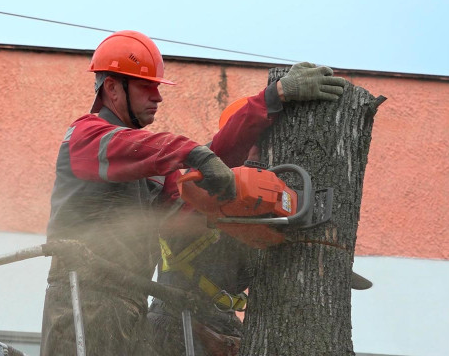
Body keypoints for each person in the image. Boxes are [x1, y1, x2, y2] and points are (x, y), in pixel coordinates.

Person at [39, 30, 241, 356]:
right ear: (112, 88)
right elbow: (152, 150)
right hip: (85, 299)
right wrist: (196, 155)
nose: (158, 97)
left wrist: (266, 107)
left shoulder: (150, 162)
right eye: (147, 86)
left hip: (133, 304)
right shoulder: (86, 136)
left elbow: (188, 201)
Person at [147, 62, 348, 355]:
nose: (259, 160)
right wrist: (275, 96)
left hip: (222, 325)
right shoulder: (200, 185)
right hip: (176, 324)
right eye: (255, 147)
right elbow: (228, 145)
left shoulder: (259, 209)